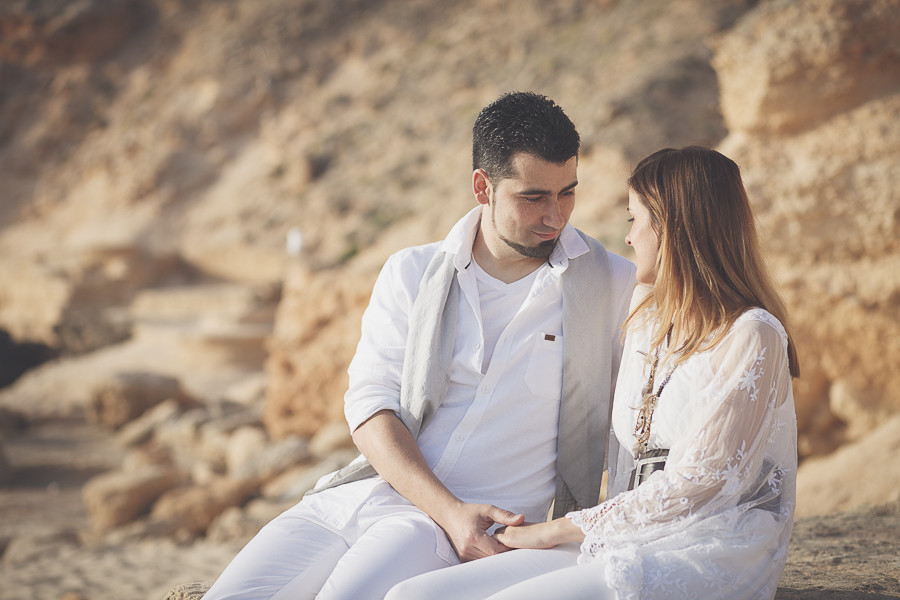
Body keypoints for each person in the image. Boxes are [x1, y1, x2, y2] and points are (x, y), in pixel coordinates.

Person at [202, 91, 636, 600]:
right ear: (483, 187)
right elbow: (370, 403)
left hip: (450, 534)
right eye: (533, 197)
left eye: (568, 192)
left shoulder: (612, 286)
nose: (556, 216)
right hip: (354, 499)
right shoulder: (411, 272)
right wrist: (447, 510)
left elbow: (639, 421)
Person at [387, 146, 800, 600]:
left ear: (673, 229)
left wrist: (556, 530)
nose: (628, 239)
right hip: (624, 532)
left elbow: (702, 483)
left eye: (634, 220)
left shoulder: (753, 333)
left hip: (710, 542)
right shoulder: (643, 315)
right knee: (415, 595)